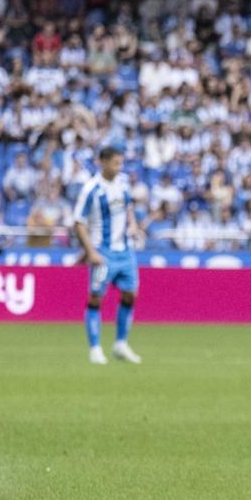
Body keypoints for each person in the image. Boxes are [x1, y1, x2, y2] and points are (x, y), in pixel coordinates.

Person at [73, 146, 142, 365]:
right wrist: (90, 252)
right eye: (115, 163)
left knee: (130, 295)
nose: (119, 167)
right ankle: (95, 348)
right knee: (96, 298)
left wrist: (133, 225)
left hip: (125, 251)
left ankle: (121, 344)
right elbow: (78, 222)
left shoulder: (123, 183)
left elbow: (128, 207)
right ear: (102, 162)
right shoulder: (91, 189)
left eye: (120, 163)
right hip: (102, 252)